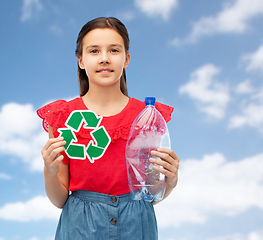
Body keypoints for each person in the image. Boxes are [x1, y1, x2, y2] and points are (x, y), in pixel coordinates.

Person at [37, 17, 179, 240]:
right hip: (79, 226)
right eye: (94, 51)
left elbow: (150, 193)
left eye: (114, 50)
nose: (104, 59)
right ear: (81, 60)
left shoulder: (147, 116)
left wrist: (169, 181)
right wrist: (49, 170)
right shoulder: (62, 117)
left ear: (126, 59)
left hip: (137, 224)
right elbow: (59, 200)